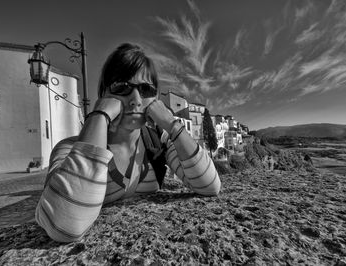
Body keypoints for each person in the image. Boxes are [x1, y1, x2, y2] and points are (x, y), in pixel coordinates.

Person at [35, 43, 221, 242]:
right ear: (104, 94)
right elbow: (65, 225)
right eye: (121, 87)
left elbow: (210, 186)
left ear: (156, 98)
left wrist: (170, 123)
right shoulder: (69, 150)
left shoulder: (157, 144)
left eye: (146, 89)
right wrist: (99, 115)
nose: (136, 99)